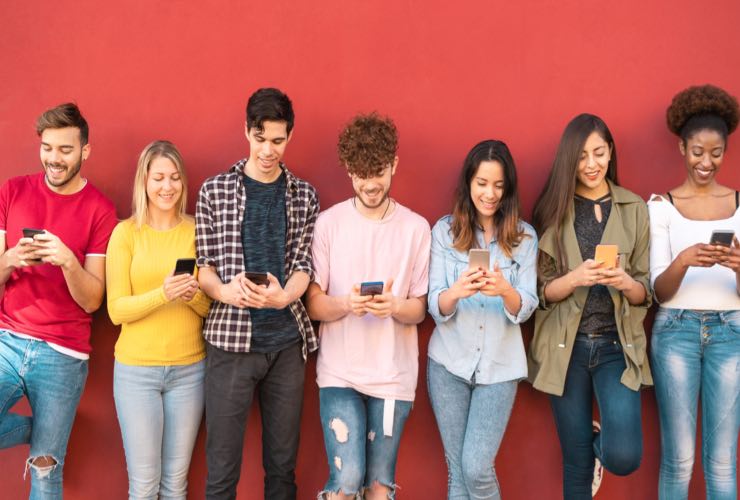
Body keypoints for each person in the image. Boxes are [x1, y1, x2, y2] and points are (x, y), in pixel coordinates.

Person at [195, 88, 319, 500]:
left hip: (286, 346)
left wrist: (286, 297)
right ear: (246, 131)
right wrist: (226, 292)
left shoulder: (305, 195)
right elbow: (205, 267)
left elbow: (304, 264)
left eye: (278, 140)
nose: (268, 150)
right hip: (229, 344)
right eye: (260, 138)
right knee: (222, 470)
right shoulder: (214, 191)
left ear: (290, 137)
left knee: (282, 470)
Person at [306, 112, 430, 500]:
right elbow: (313, 304)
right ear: (348, 171)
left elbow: (420, 310)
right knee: (346, 481)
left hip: (393, 378)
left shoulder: (416, 228)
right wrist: (347, 304)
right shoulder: (328, 224)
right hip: (339, 374)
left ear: (393, 164)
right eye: (360, 174)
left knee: (378, 486)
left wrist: (394, 306)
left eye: (377, 172)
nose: (369, 183)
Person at [528, 113, 652, 499]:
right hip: (565, 348)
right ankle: (587, 453)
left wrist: (626, 282)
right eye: (582, 156)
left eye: (599, 153)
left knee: (625, 455)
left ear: (610, 152)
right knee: (575, 464)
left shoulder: (633, 208)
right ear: (570, 160)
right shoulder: (553, 209)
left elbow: (644, 290)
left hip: (616, 346)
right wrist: (575, 279)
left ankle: (601, 447)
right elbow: (539, 293)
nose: (592, 164)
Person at [0, 103, 118, 498]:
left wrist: (68, 260)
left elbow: (92, 301)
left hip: (63, 355)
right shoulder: (12, 190)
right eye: (47, 147)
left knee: (46, 469)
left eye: (65, 150)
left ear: (85, 151)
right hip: (8, 341)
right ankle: (45, 430)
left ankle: (50, 438)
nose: (54, 158)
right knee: (46, 442)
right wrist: (9, 260)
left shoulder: (100, 210)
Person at [427, 139, 537, 499]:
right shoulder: (444, 232)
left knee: (476, 467)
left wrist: (505, 290)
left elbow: (528, 304)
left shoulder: (524, 238)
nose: (490, 194)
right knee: (458, 472)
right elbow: (435, 305)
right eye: (482, 183)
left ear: (508, 189)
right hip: (448, 364)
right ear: (469, 184)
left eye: (499, 185)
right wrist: (457, 290)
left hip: (499, 368)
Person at [648, 84, 740, 500]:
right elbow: (659, 293)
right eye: (697, 151)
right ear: (681, 147)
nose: (707, 162)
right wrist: (683, 260)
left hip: (732, 333)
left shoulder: (739, 203)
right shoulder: (661, 207)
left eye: (716, 153)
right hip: (676, 333)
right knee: (679, 459)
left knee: (722, 462)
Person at [106, 140, 211, 499]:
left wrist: (192, 294)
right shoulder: (126, 233)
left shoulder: (198, 231)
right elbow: (116, 310)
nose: (167, 187)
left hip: (189, 371)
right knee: (144, 486)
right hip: (137, 374)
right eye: (159, 178)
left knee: (175, 485)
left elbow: (212, 309)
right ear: (144, 181)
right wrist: (162, 294)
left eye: (175, 178)